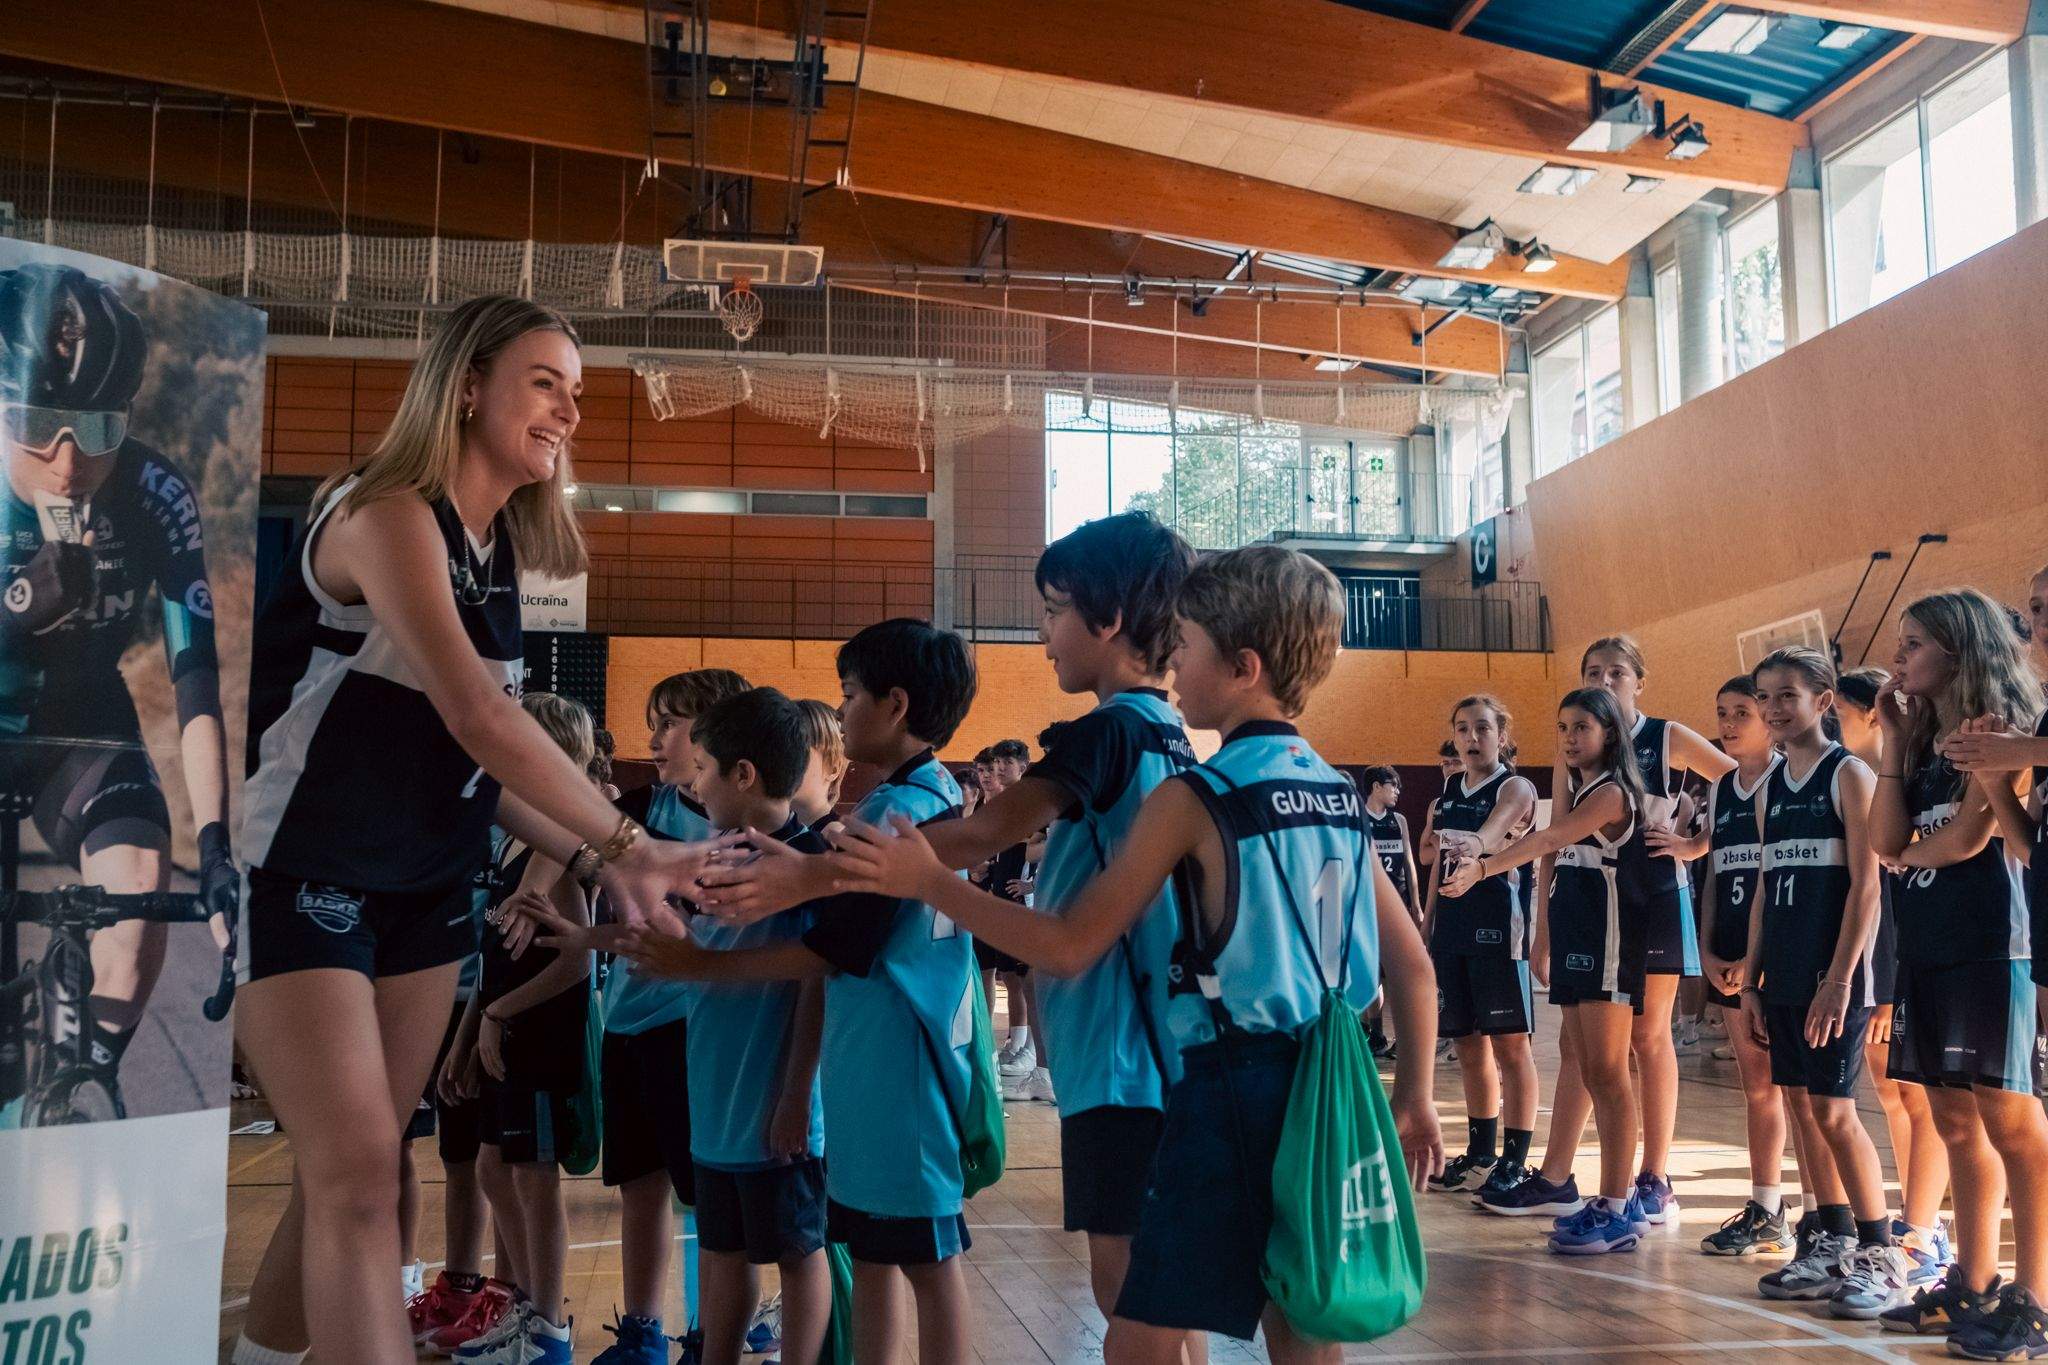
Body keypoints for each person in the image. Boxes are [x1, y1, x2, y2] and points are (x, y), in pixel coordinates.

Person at [230, 295, 722, 1365]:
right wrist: (633, 843)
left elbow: (473, 763)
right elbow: (480, 715)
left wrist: (601, 858)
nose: (568, 412)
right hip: (302, 873)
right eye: (546, 382)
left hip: (422, 890)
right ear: (466, 384)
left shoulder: (497, 554)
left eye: (577, 395)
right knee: (363, 1180)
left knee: (357, 1182)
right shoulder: (385, 510)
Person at [820, 544, 1443, 1363]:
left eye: (1187, 644)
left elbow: (1073, 943)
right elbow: (1415, 967)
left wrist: (931, 881)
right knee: (1302, 1311)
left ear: (1243, 665)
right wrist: (1420, 1095)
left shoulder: (1200, 796)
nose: (1173, 661)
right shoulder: (1336, 791)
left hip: (1230, 1082)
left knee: (1136, 1324)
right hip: (1333, 1077)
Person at [542, 619, 983, 1365]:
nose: (837, 716)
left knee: (926, 1258)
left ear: (896, 704)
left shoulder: (905, 810)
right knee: (875, 1254)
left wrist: (710, 964)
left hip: (903, 1062)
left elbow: (833, 945)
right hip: (869, 1065)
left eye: (848, 697)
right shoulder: (895, 804)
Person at [0, 263, 236, 1125]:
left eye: (99, 427)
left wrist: (213, 846)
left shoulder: (150, 491)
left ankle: (74, 1092)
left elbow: (196, 684)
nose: (70, 460)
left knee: (136, 905)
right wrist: (25, 600)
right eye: (39, 425)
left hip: (78, 723)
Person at [1871, 589, 2048, 1356]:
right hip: (1928, 941)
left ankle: (2034, 1294)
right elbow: (1886, 834)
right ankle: (1972, 1280)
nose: (1900, 655)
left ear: (1957, 648)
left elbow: (1968, 841)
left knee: (2012, 1124)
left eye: (1914, 643)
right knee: (1951, 1121)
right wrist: (1891, 745)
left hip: (1992, 944)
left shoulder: (1999, 728)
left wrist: (1906, 851)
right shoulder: (1922, 735)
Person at [659, 688, 831, 1365]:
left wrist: (795, 1093)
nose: (694, 783)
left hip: (774, 1110)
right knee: (721, 1246)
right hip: (714, 1095)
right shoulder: (718, 853)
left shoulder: (805, 861)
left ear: (743, 774)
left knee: (796, 1250)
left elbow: (814, 978)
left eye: (702, 766)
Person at [1444, 688, 1647, 1253]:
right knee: (1584, 1066)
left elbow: (1550, 837)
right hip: (1579, 940)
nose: (1570, 738)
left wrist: (1484, 868)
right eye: (1562, 728)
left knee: (1608, 1074)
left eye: (1582, 727)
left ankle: (1618, 1204)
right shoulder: (1582, 787)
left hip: (1608, 943)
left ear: (1610, 733)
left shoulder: (1611, 794)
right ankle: (1596, 1197)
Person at [1734, 648, 1902, 1316]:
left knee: (1834, 1110)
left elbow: (1869, 887)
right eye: (1765, 696)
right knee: (1803, 1107)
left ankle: (1881, 1251)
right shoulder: (1770, 784)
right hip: (1781, 974)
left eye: (1788, 695)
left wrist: (1839, 977)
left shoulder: (1850, 773)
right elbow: (1765, 891)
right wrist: (1749, 981)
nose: (1774, 708)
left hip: (1833, 974)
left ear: (1824, 701)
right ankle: (1830, 1236)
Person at [593, 667, 751, 1365]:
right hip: (626, 1020)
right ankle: (644, 1330)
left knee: (709, 1200)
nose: (653, 737)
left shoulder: (740, 829)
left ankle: (713, 1340)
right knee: (638, 1187)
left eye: (669, 723)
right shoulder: (634, 813)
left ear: (714, 732)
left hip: (693, 1029)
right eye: (652, 721)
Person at [447, 691, 603, 1364]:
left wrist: (500, 1016)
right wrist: (467, 1032)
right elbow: (492, 957)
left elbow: (578, 963)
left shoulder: (561, 855)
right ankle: (525, 1305)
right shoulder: (515, 837)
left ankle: (547, 1323)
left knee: (533, 1180)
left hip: (542, 1031)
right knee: (492, 1167)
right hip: (504, 1027)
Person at [1573, 636, 1736, 1223]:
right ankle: (1615, 1177)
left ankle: (1656, 1176)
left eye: (1617, 671)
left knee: (1650, 1038)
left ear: (1639, 681)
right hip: (1600, 905)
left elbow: (1740, 781)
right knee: (1602, 1050)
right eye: (1595, 671)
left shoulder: (1664, 736)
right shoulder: (1580, 741)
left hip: (1658, 896)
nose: (1606, 679)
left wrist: (1695, 844)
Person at [1835, 666, 1950, 1285]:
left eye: (1841, 714)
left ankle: (1923, 1226)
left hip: (1905, 952)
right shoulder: (1867, 778)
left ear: (1872, 714)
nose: (1833, 725)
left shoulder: (1897, 773)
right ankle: (1917, 1221)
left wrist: (1882, 988)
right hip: (1883, 956)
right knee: (1892, 1093)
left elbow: (1890, 878)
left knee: (1919, 1096)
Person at [1678, 677, 1795, 1257]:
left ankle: (1828, 1215)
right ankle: (1767, 1205)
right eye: (1721, 712)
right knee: (1757, 1089)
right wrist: (1706, 954)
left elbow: (1776, 883)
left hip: (1775, 958)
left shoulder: (1790, 781)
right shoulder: (1721, 788)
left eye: (1741, 711)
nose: (1727, 722)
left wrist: (1754, 962)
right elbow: (1714, 878)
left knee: (1794, 1090)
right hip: (1725, 958)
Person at [1421, 699, 1539, 1204]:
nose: (1472, 738)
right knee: (1467, 1043)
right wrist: (1427, 924)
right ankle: (1481, 1153)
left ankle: (1515, 1159)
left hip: (1498, 928)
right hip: (1452, 927)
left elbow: (1489, 836)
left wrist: (1474, 845)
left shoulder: (1516, 786)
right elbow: (1433, 859)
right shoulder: (1449, 789)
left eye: (1483, 728)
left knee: (1511, 1047)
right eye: (1463, 729)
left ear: (1502, 736)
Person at [1360, 765, 1419, 1059]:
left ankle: (1401, 1038)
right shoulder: (1358, 818)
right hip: (1366, 909)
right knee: (1371, 976)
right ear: (1375, 786)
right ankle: (1376, 1033)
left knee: (1397, 975)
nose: (1397, 792)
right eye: (1392, 786)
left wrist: (1417, 906)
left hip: (1397, 909)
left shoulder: (1399, 821)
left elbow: (1408, 864)